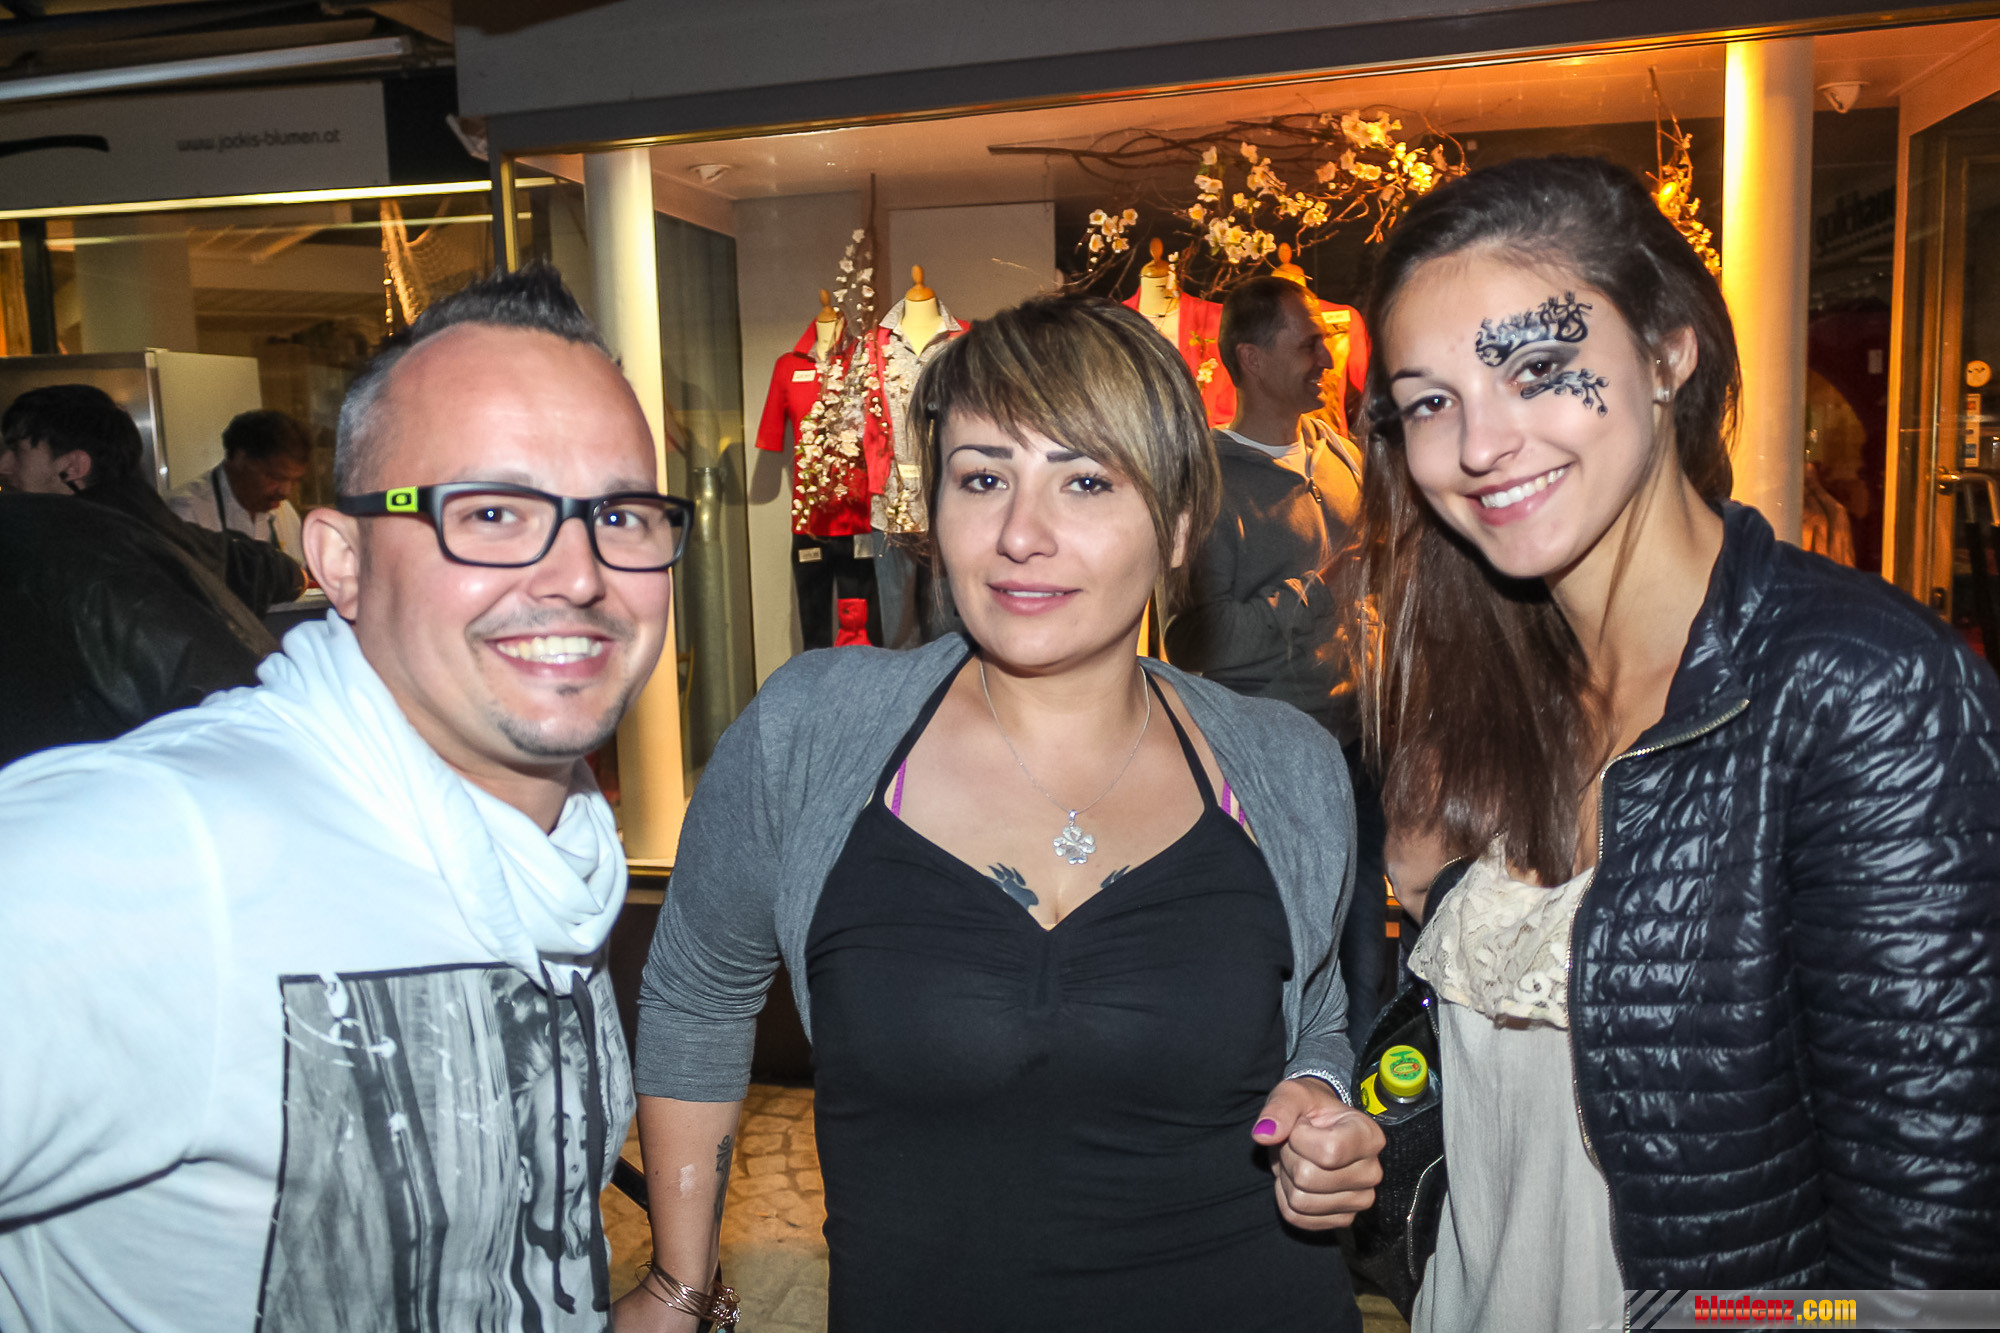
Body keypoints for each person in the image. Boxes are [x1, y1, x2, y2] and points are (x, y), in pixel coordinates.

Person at [622, 295, 1384, 1333]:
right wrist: (679, 1281)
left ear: (1176, 524)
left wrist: (1319, 1097)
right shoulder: (810, 732)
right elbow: (698, 994)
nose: (1021, 534)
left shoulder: (1286, 767)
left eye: (1085, 481)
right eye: (982, 478)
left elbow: (1315, 1015)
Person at [1349, 154, 2000, 1328]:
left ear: (1664, 353)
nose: (1478, 444)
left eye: (1534, 370)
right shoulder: (1490, 696)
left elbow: (1924, 1261)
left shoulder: (1855, 688)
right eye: (1429, 401)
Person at [0, 265, 690, 1329]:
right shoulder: (150, 855)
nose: (578, 573)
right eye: (490, 510)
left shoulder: (552, 848)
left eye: (622, 514)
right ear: (342, 560)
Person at [1166, 274, 1385, 1043]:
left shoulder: (1340, 455)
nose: (1326, 358)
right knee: (1276, 956)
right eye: (1308, 344)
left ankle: (1359, 1103)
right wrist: (1318, 592)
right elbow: (1194, 638)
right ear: (1252, 359)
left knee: (1363, 956)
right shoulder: (1209, 483)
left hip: (1358, 749)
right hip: (1266, 765)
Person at [0, 384, 303, 613]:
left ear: (74, 467)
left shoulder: (100, 556)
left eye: (17, 451)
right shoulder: (150, 526)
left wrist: (294, 576)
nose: (3, 465)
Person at [169, 407, 312, 559]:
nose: (285, 492)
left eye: (294, 481)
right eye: (275, 477)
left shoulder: (285, 513)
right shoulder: (187, 512)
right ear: (241, 459)